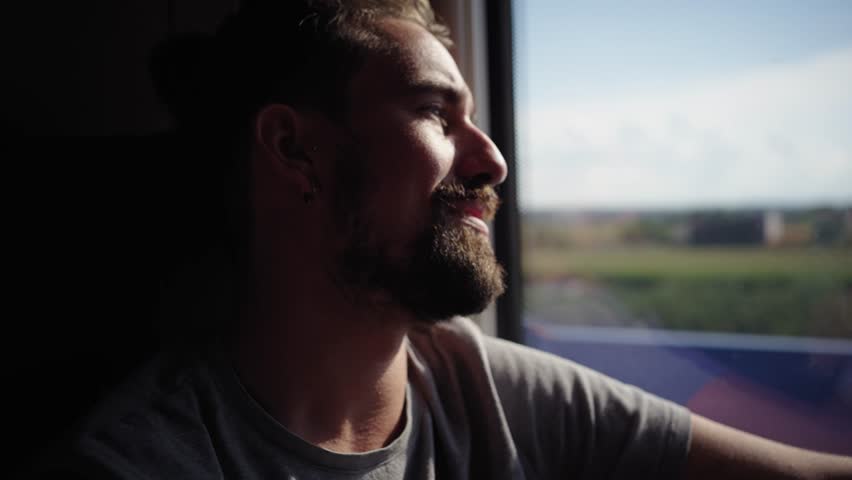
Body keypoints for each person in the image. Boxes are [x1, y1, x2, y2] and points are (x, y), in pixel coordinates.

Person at [28, 1, 852, 478]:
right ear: (294, 151)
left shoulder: (473, 384)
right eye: (434, 111)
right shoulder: (139, 466)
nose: (491, 158)